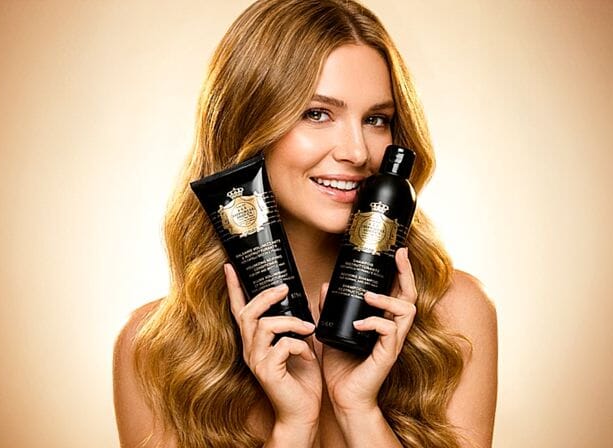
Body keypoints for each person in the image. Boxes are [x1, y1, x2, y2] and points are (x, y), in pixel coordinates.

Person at [111, 1, 498, 446]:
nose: (356, 151)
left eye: (377, 120)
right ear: (250, 124)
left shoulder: (453, 316)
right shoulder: (155, 349)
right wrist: (293, 427)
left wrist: (358, 411)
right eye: (317, 113)